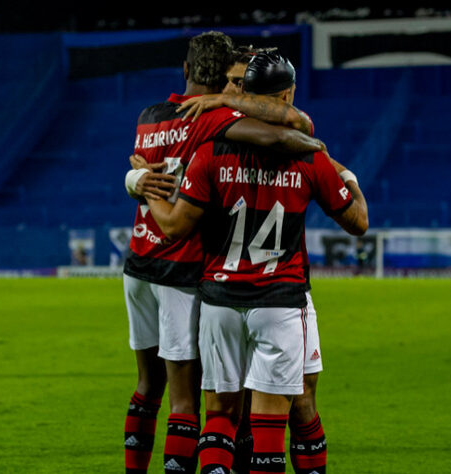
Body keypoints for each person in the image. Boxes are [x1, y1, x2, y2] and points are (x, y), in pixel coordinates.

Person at [143, 52, 369, 474]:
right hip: (279, 301)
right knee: (273, 420)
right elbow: (358, 222)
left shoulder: (210, 152)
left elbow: (176, 226)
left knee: (221, 417)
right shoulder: (308, 156)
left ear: (244, 92)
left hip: (219, 301)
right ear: (288, 94)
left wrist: (144, 184)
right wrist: (350, 179)